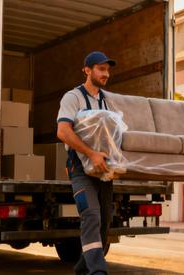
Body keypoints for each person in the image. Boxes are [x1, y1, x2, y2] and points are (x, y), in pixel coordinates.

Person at [56, 51, 118, 275]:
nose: (106, 74)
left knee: (104, 221)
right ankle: (97, 271)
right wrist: (91, 154)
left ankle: (82, 267)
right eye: (101, 69)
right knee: (91, 214)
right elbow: (63, 131)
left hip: (104, 168)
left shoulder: (108, 101)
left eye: (107, 70)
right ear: (87, 70)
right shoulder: (73, 97)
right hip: (80, 167)